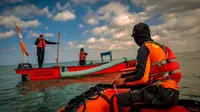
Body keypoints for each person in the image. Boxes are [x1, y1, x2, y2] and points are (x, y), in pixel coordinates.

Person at [111, 23, 182, 112]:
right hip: (170, 93)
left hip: (161, 95)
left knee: (116, 99)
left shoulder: (144, 49)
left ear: (136, 36)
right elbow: (139, 71)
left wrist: (124, 82)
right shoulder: (156, 46)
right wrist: (122, 76)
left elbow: (142, 78)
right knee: (134, 91)